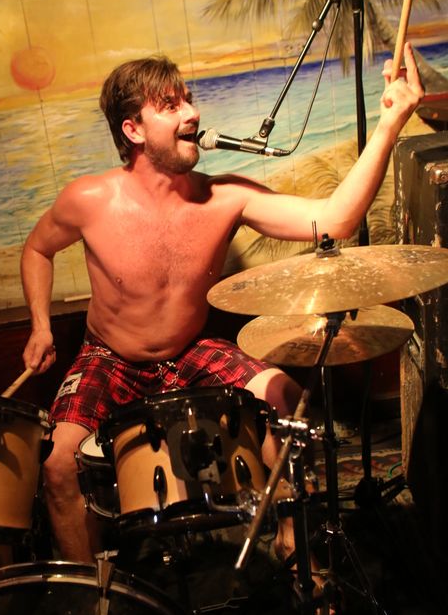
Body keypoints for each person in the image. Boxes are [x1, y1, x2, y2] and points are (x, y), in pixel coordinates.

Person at [21, 43, 423, 563]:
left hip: (190, 349)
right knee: (57, 464)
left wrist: (390, 123)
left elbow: (336, 218)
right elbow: (37, 249)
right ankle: (90, 594)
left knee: (286, 404)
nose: (192, 113)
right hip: (111, 356)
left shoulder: (226, 196)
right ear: (133, 130)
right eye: (171, 105)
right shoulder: (88, 199)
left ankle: (294, 549)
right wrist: (40, 326)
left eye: (189, 100)